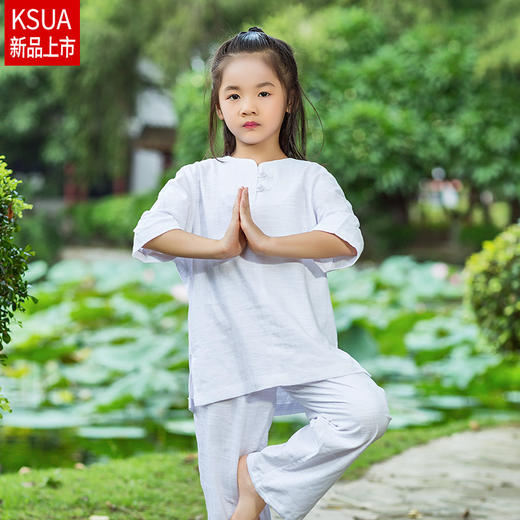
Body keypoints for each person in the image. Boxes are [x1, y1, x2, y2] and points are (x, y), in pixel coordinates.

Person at [132, 26, 392, 520]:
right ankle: (254, 492)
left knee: (364, 412)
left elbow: (344, 239)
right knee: (231, 512)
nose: (248, 107)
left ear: (289, 100)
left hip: (303, 349)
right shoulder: (197, 179)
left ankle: (263, 474)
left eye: (264, 93)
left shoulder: (312, 179)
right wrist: (220, 247)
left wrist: (267, 242)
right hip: (226, 357)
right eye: (234, 95)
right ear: (218, 107)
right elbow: (150, 233)